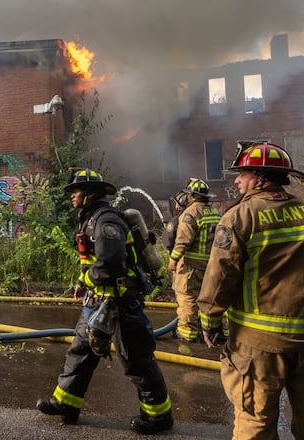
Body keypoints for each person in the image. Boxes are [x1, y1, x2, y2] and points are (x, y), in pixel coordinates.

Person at [197, 141, 304, 439]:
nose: (237, 181)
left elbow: (220, 278)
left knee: (255, 423)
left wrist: (210, 321)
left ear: (259, 178)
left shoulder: (240, 217)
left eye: (242, 174)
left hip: (259, 345)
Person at [36, 169, 173, 435]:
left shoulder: (106, 220)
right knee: (80, 351)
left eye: (76, 191)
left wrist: (88, 280)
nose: (72, 196)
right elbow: (91, 261)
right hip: (98, 300)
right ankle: (66, 403)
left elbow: (110, 264)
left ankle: (158, 416)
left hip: (120, 303)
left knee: (136, 360)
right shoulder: (89, 219)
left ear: (89, 193)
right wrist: (82, 282)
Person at [167, 178, 220, 343]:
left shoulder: (190, 213)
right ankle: (213, 332)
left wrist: (173, 260)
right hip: (211, 267)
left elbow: (183, 240)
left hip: (191, 267)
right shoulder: (215, 212)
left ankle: (187, 334)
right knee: (209, 299)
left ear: (191, 196)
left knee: (187, 299)